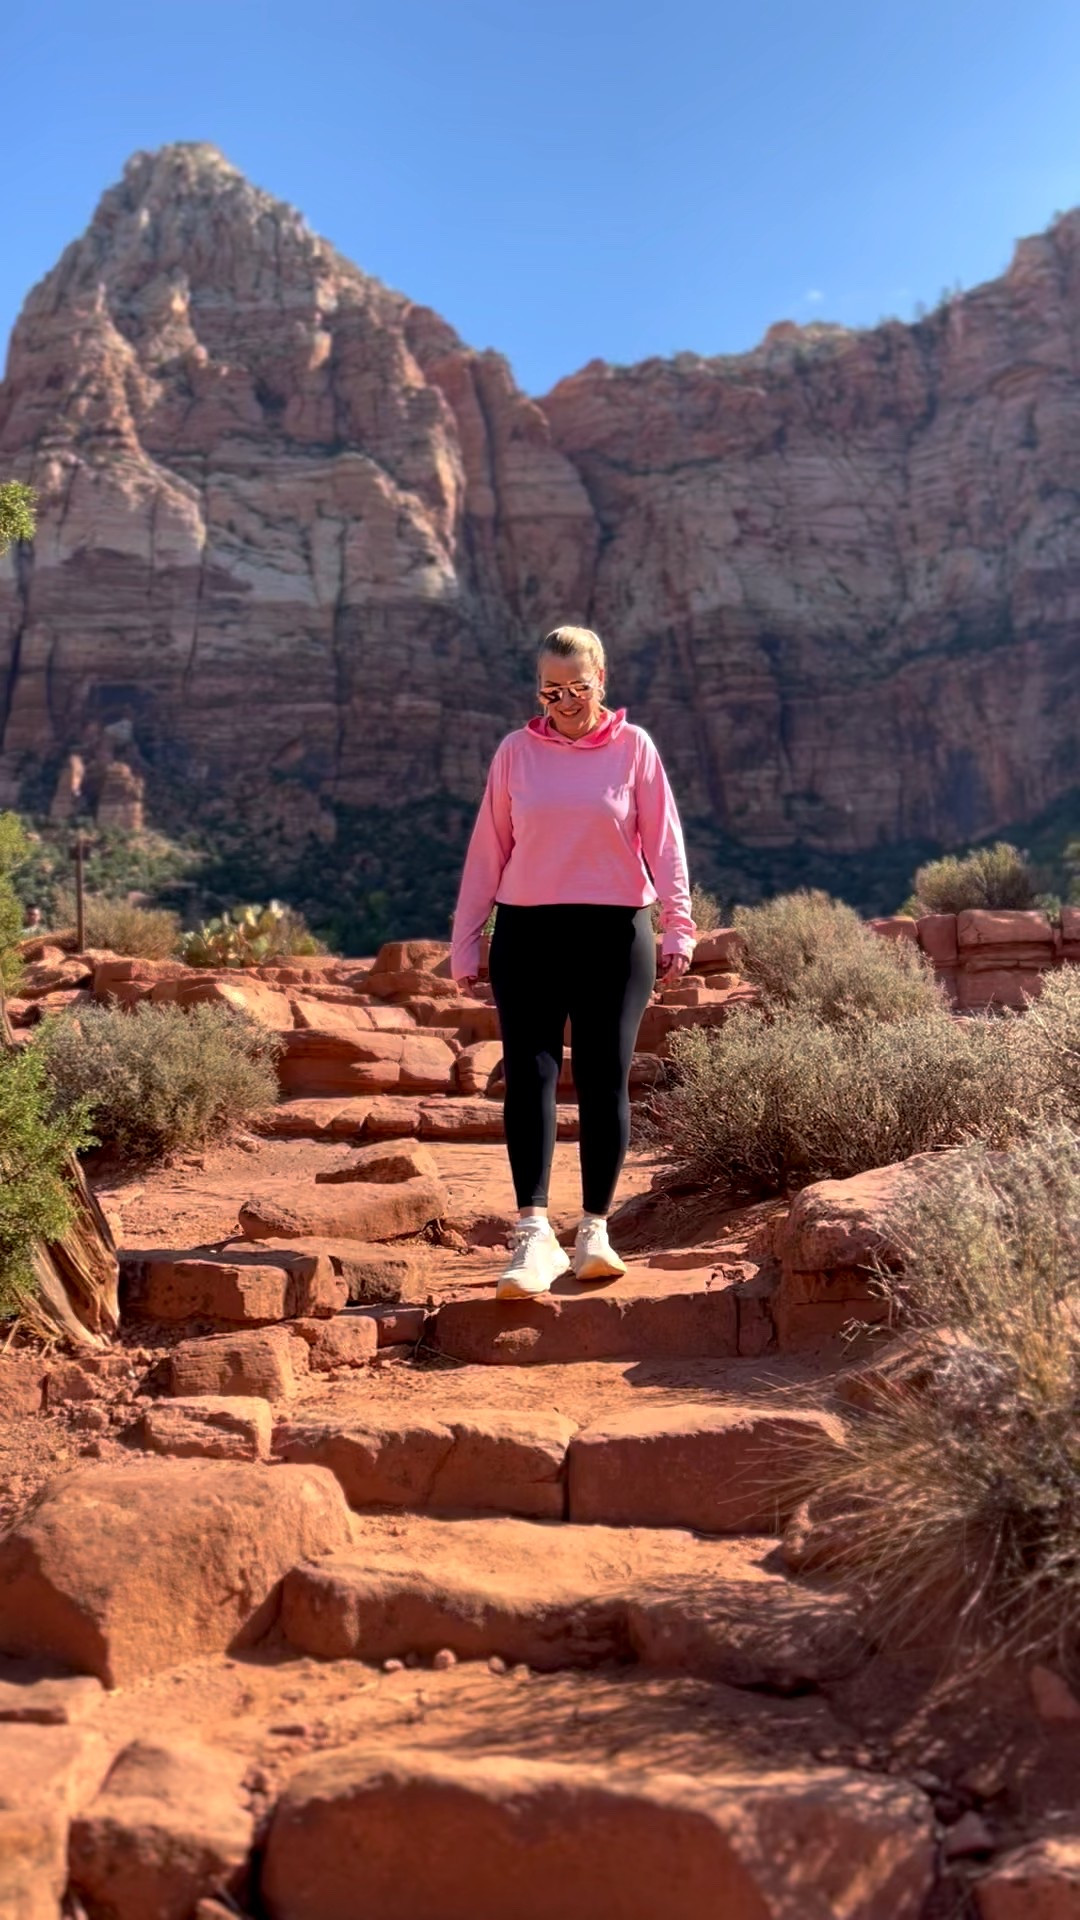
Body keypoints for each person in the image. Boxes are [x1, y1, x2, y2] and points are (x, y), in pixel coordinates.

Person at [450, 625, 695, 1300]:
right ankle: (532, 1234)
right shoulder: (515, 753)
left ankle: (594, 1231)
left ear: (601, 681)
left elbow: (665, 843)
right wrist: (465, 940)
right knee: (529, 1075)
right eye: (551, 690)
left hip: (616, 932)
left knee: (602, 1076)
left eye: (577, 688)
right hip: (527, 932)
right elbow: (487, 851)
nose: (564, 701)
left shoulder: (635, 748)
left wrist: (680, 927)